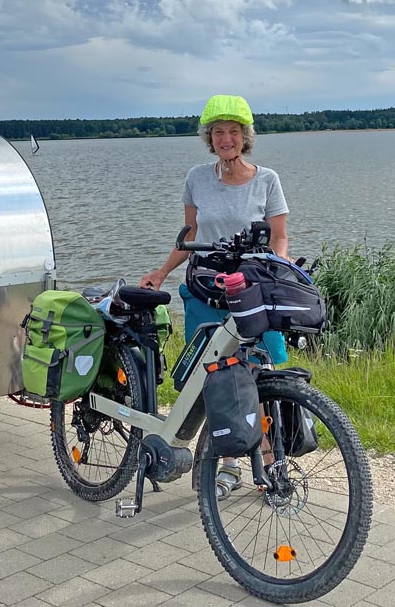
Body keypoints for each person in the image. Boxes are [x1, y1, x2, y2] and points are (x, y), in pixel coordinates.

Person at [139, 94, 290, 499]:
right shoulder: (197, 178)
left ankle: (272, 463)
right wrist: (162, 271)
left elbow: (279, 238)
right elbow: (190, 235)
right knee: (216, 378)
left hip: (251, 289)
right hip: (205, 288)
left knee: (259, 373)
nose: (226, 139)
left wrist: (281, 272)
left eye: (234, 132)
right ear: (210, 138)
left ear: (245, 138)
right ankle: (228, 463)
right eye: (218, 132)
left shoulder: (267, 180)